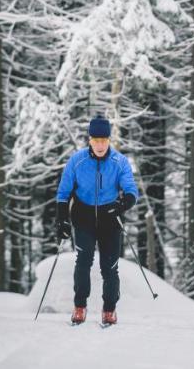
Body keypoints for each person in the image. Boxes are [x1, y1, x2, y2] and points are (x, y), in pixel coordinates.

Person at [55, 115, 139, 326]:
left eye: (104, 140)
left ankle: (109, 310)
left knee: (109, 267)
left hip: (110, 218)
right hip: (83, 217)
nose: (100, 144)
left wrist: (122, 205)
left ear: (109, 140)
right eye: (96, 140)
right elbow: (63, 193)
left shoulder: (119, 162)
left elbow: (131, 190)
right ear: (90, 140)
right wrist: (62, 220)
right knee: (83, 262)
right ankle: (79, 306)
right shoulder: (77, 160)